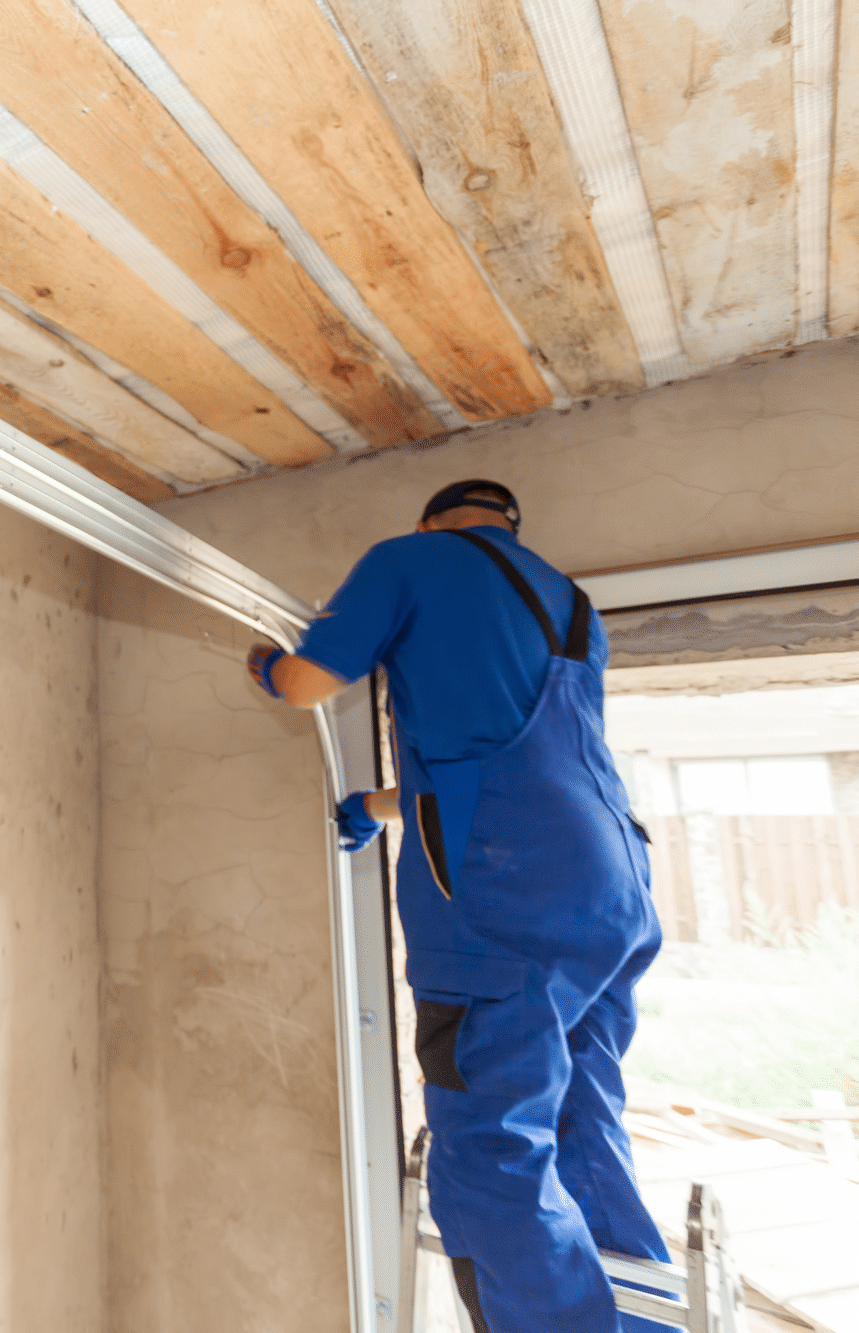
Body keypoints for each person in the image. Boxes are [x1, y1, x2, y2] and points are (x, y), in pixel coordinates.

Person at [246, 481, 668, 1332]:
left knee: (493, 1156)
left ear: (426, 522)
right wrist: (374, 804)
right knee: (582, 1120)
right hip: (611, 884)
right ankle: (647, 1318)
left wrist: (263, 661)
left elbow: (303, 684)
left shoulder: (408, 562)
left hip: (506, 915)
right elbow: (513, 768)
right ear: (511, 528)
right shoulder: (570, 602)